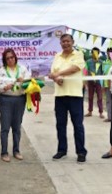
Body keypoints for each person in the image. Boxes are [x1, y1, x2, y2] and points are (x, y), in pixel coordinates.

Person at [48, 34, 87, 163]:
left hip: (75, 95)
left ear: (72, 42)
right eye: (63, 41)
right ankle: (62, 150)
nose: (65, 43)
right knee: (60, 125)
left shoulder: (78, 54)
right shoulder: (57, 56)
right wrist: (56, 78)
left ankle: (81, 152)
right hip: (60, 95)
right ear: (60, 43)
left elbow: (75, 68)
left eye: (68, 41)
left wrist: (58, 74)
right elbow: (53, 72)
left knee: (78, 125)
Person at [0, 48, 31, 162]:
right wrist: (4, 87)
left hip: (20, 99)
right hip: (6, 99)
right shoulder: (1, 71)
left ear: (15, 57)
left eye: (12, 57)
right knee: (5, 127)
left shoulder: (23, 69)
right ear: (4, 60)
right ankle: (4, 152)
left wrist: (23, 81)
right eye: (7, 58)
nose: (10, 60)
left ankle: (16, 150)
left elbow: (30, 82)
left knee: (17, 126)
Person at [84, 47, 104, 119]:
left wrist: (103, 84)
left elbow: (103, 72)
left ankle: (101, 112)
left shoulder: (101, 62)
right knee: (90, 97)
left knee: (100, 97)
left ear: (98, 54)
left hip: (99, 82)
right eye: (93, 53)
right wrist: (85, 81)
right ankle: (90, 111)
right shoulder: (88, 61)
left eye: (96, 53)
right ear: (91, 53)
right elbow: (85, 71)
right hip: (90, 81)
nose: (94, 54)